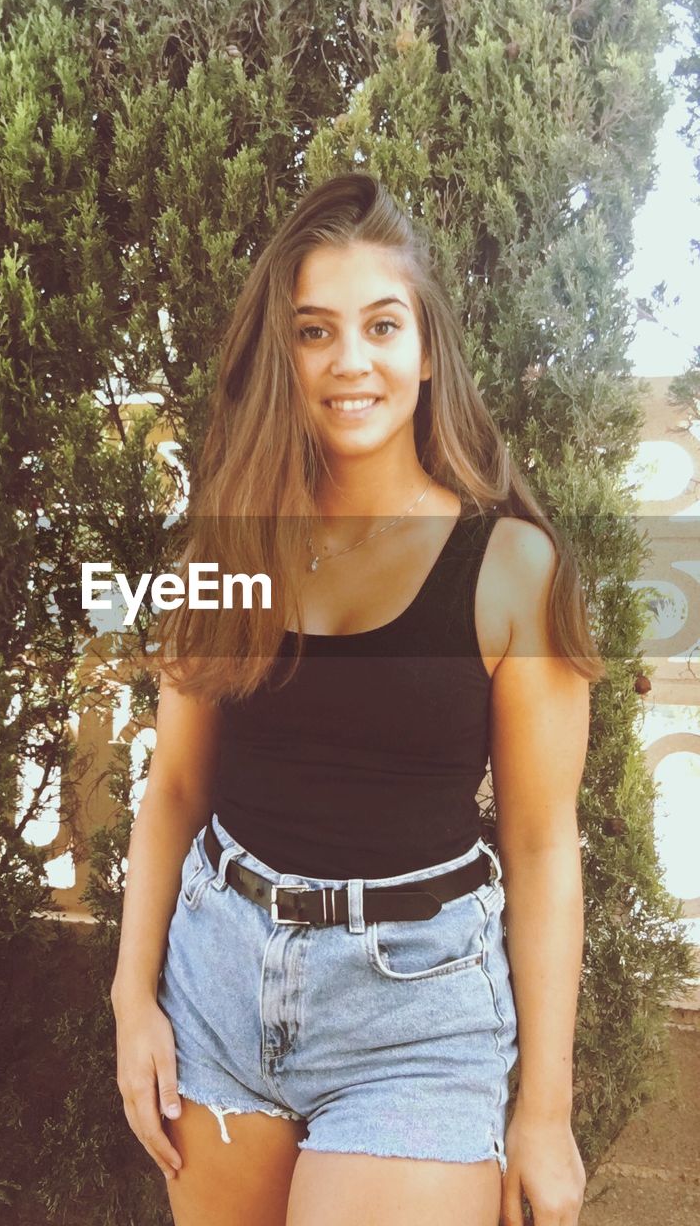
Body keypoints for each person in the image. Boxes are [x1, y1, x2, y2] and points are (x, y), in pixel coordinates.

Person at [109, 173, 605, 1226]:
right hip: (218, 985)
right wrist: (130, 995)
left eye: (382, 324)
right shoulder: (229, 546)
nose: (351, 360)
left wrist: (545, 1110)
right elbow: (176, 787)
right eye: (315, 331)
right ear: (285, 358)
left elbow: (542, 842)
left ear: (426, 351)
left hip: (417, 1012)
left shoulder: (514, 569)